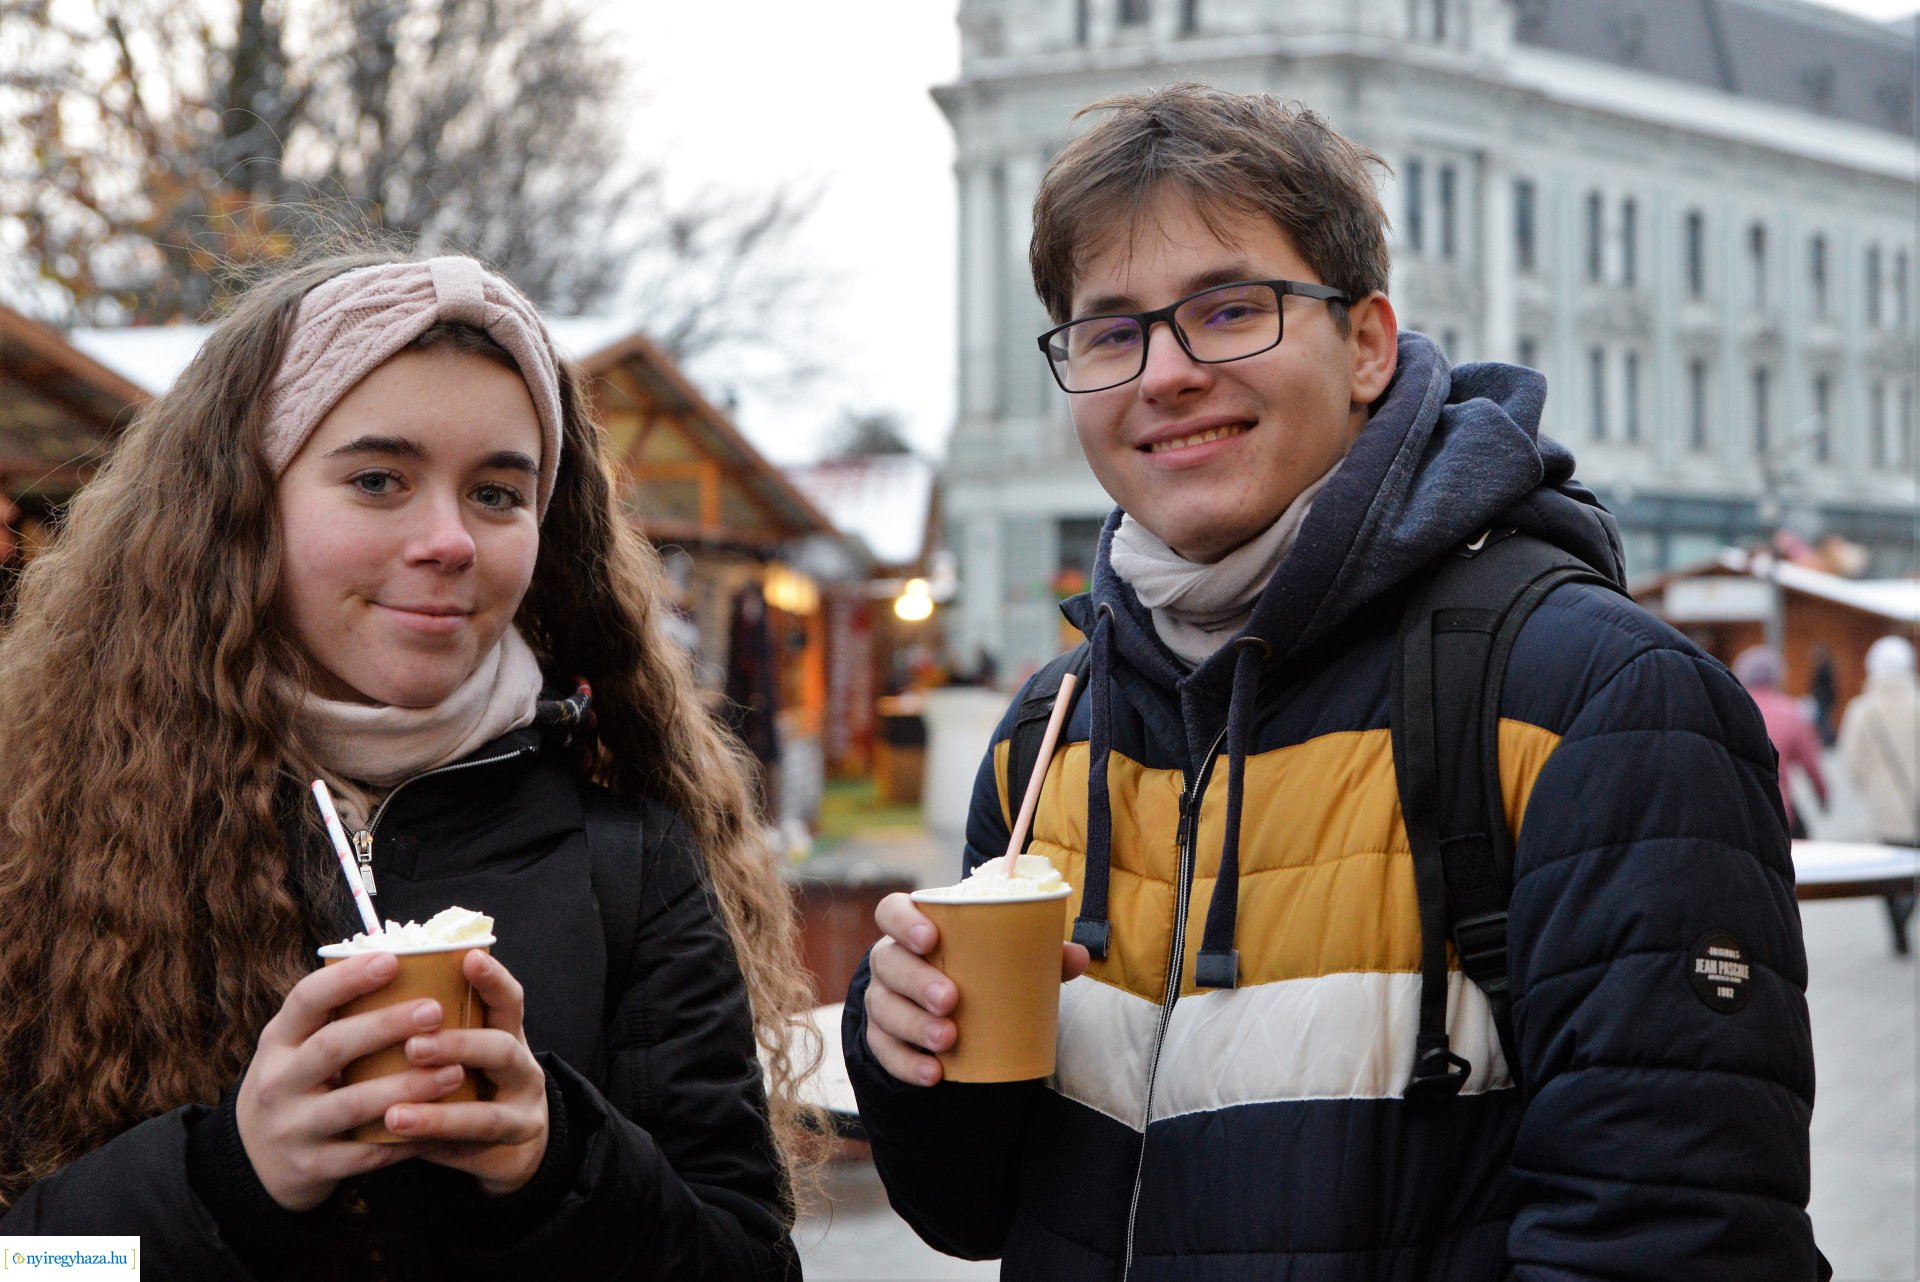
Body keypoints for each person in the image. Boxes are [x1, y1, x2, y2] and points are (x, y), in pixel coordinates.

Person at [842, 85, 1826, 1280]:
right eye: (1113, 332)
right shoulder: (1054, 733)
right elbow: (978, 1211)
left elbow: (1678, 1243)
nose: (1167, 373)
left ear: (1366, 343)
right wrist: (903, 1046)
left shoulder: (1597, 703)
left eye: (1230, 309)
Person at [0, 251, 817, 1279]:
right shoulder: (38, 832)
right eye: (379, 479)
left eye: (496, 492)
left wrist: (558, 1157)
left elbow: (744, 1265)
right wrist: (224, 1181)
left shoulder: (630, 857)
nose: (450, 539)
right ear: (246, 506)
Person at [1837, 634, 1920, 955]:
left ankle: (1896, 927)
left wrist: (1868, 786)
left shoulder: (1862, 709)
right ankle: (1907, 911)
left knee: (1888, 870)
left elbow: (1852, 761)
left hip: (1884, 806)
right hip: (1916, 805)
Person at [1733, 644, 1829, 840]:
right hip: (1778, 810)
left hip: (1735, 811)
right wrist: (1822, 795)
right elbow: (1811, 762)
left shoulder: (1730, 708)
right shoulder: (1791, 712)